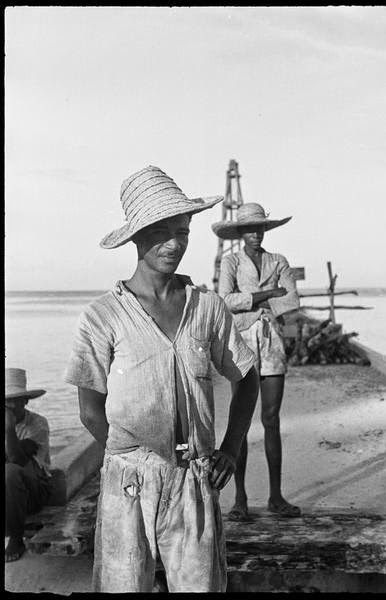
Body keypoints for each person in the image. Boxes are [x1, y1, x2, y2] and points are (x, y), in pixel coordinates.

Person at [64, 165, 259, 593]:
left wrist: (228, 448)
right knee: (123, 585)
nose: (174, 243)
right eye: (160, 231)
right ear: (136, 236)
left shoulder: (207, 307)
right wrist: (135, 454)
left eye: (183, 232)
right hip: (127, 483)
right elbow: (89, 408)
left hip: (195, 478)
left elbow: (247, 376)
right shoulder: (103, 317)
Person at [211, 202, 301, 520]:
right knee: (242, 418)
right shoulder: (231, 261)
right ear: (240, 232)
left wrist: (265, 301)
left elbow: (290, 301)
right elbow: (224, 301)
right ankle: (241, 499)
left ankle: (276, 497)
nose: (256, 234)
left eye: (260, 228)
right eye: (250, 229)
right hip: (242, 343)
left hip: (273, 340)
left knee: (272, 419)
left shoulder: (279, 260)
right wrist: (266, 295)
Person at [5, 368, 51, 562]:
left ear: (26, 401)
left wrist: (9, 429)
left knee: (10, 472)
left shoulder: (37, 424)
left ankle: (16, 538)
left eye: (17, 400)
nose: (12, 405)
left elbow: (17, 459)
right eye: (7, 401)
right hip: (11, 496)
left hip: (35, 493)